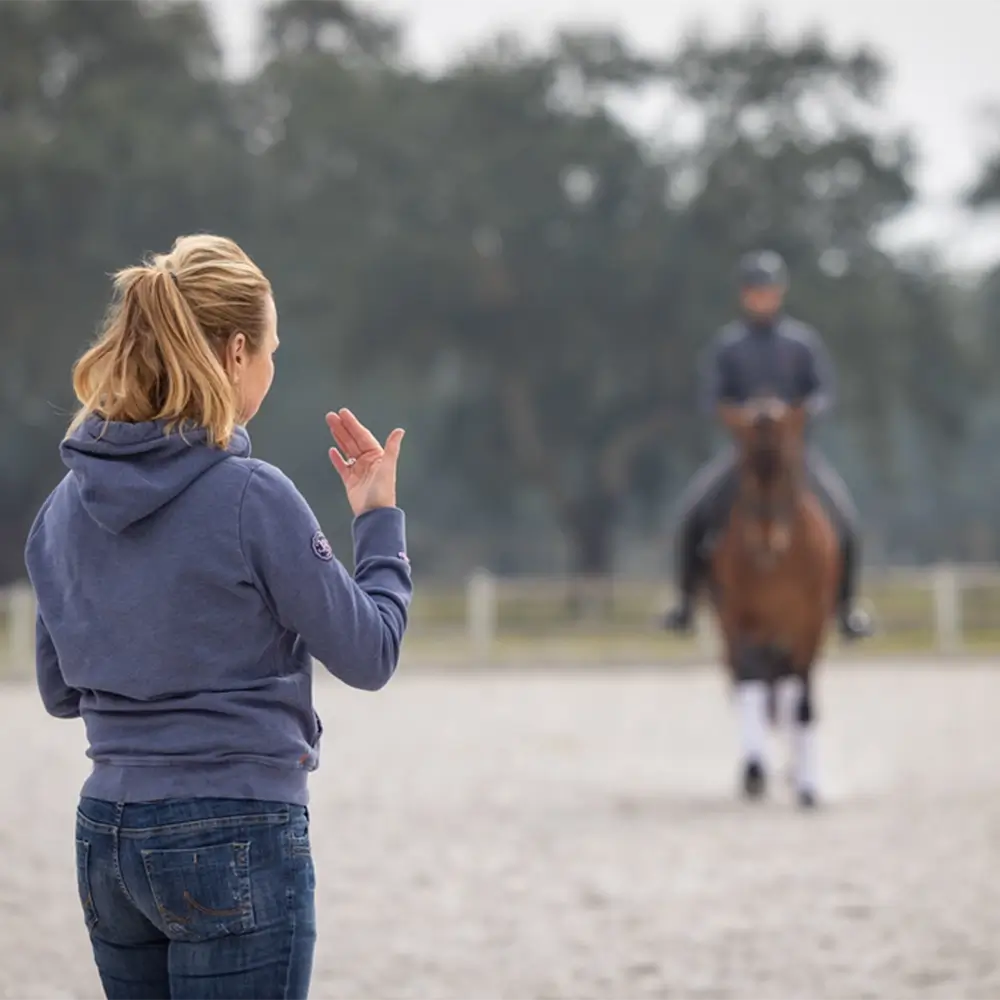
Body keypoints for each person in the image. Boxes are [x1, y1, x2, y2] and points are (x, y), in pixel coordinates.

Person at [23, 234, 412, 999]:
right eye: (272, 350)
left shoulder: (64, 506)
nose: (272, 366)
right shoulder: (251, 496)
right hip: (233, 827)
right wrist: (378, 520)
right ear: (236, 354)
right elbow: (370, 654)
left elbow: (60, 691)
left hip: (106, 834)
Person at [663, 249, 874, 641]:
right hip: (744, 457)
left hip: (795, 456)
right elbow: (711, 397)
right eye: (755, 291)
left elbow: (824, 392)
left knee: (846, 522)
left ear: (779, 293)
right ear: (744, 295)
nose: (762, 298)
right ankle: (685, 604)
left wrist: (796, 412)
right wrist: (742, 414)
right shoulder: (728, 346)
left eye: (768, 290)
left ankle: (847, 609)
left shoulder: (801, 343)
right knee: (690, 515)